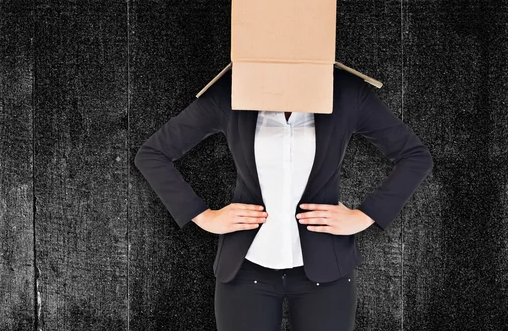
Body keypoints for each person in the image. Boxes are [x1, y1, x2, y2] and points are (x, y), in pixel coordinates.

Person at [134, 67, 433, 331]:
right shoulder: (233, 90)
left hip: (326, 272)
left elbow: (415, 156)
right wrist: (203, 215)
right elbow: (152, 154)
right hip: (245, 270)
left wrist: (365, 215)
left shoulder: (345, 91)